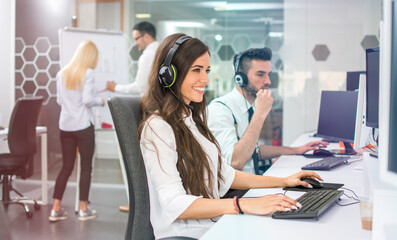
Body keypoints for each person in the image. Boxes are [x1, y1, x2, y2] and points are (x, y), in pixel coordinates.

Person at [138, 33, 323, 239]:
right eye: (196, 70)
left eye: (207, 70)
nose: (206, 79)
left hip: (214, 223)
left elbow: (226, 175)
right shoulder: (158, 128)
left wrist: (284, 181)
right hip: (189, 233)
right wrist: (242, 204)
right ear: (169, 75)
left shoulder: (192, 121)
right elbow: (174, 203)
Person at [207, 48, 329, 175]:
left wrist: (296, 150)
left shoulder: (250, 107)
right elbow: (235, 162)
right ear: (240, 77)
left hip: (254, 183)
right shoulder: (220, 110)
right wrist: (259, 114)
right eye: (260, 74)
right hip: (235, 191)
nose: (268, 81)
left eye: (268, 74)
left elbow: (253, 150)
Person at [49, 40, 105, 222]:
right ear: (90, 57)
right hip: (83, 126)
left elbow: (59, 100)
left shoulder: (61, 73)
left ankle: (56, 208)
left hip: (66, 126)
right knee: (86, 167)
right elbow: (88, 99)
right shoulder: (88, 73)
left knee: (66, 167)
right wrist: (101, 101)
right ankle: (83, 208)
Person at [106, 21, 159, 95]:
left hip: (151, 104)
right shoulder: (161, 51)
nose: (135, 43)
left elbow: (139, 87)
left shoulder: (148, 55)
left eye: (136, 39)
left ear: (146, 37)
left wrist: (115, 87)